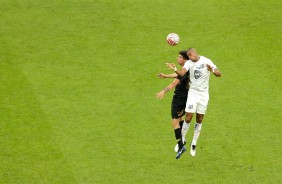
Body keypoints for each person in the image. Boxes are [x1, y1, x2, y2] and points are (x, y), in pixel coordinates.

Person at [166, 48, 221, 157]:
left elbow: (219, 74)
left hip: (204, 94)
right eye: (189, 56)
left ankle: (194, 143)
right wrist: (175, 68)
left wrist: (213, 71)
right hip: (193, 93)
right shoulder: (189, 63)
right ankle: (182, 141)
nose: (190, 58)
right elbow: (181, 74)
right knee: (188, 117)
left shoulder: (206, 61)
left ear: (195, 53)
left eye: (191, 55)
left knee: (199, 119)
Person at [156, 50, 190, 159]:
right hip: (185, 99)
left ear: (185, 60)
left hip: (178, 100)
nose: (177, 59)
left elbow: (173, 84)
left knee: (174, 122)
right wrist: (165, 75)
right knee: (180, 120)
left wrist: (163, 91)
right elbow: (178, 75)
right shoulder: (186, 70)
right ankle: (183, 137)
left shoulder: (183, 72)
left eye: (179, 57)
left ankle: (181, 146)